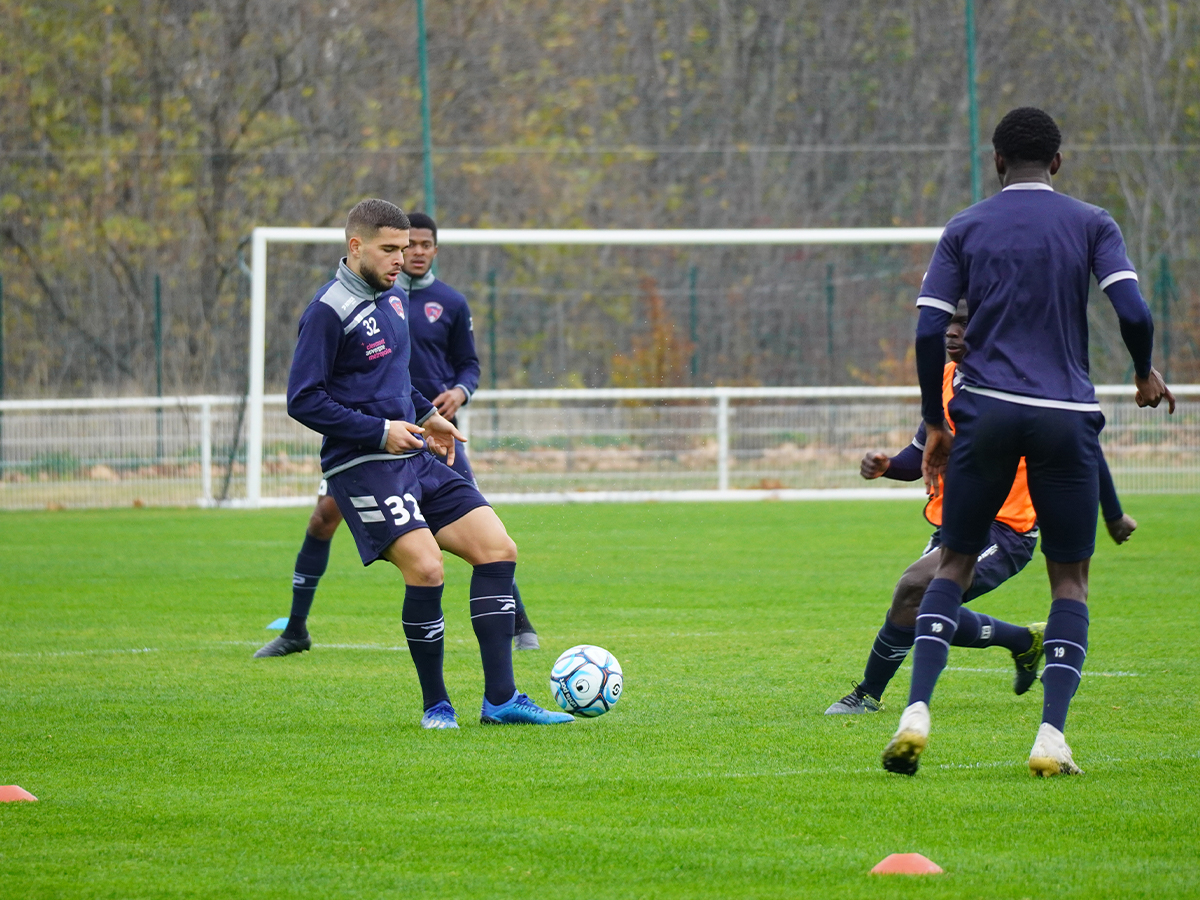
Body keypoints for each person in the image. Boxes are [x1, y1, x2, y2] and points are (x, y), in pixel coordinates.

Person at [881, 108, 1174, 776]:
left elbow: (929, 332)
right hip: (1064, 411)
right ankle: (1050, 737)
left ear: (997, 162)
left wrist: (935, 421)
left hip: (985, 407)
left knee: (951, 566)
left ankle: (916, 712)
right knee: (1068, 581)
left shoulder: (967, 226)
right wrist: (1141, 370)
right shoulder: (1093, 222)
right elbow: (1133, 310)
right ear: (1058, 163)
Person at [278, 198, 571, 728]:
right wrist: (378, 430)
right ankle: (437, 705)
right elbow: (303, 399)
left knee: (497, 548)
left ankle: (501, 700)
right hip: (362, 465)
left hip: (414, 453)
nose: (402, 258)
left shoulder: (391, 302)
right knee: (427, 567)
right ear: (355, 246)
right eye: (390, 249)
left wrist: (423, 416)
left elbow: (392, 380)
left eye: (408, 247)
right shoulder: (327, 311)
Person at [826, 304, 1135, 715]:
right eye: (949, 323)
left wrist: (1111, 512)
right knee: (913, 606)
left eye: (964, 323)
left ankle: (867, 695)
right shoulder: (948, 379)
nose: (952, 332)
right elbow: (921, 453)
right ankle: (1023, 642)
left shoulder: (1027, 384)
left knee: (914, 587)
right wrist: (886, 467)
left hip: (1007, 529)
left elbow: (1084, 444)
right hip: (960, 524)